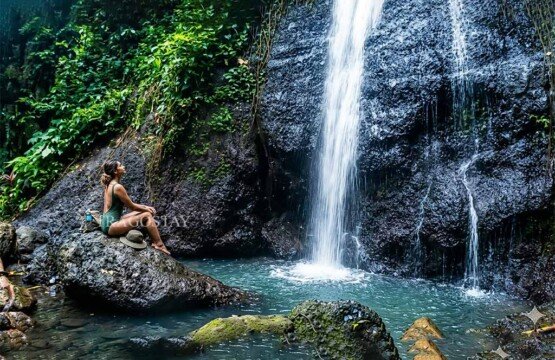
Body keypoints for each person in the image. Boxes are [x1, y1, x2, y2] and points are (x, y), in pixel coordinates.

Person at [100, 160, 171, 256]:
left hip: (106, 222)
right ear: (115, 171)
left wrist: (146, 207)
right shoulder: (117, 187)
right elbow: (131, 206)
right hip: (111, 226)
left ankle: (155, 242)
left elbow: (131, 205)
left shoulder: (109, 184)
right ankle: (159, 245)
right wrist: (147, 209)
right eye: (121, 165)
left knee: (143, 213)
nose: (123, 166)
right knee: (147, 215)